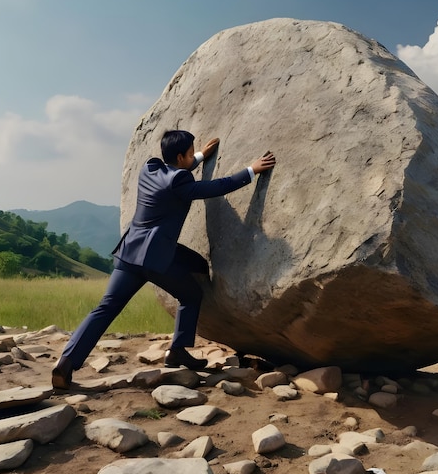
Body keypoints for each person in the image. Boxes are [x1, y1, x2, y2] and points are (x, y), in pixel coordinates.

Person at [51, 130, 276, 389]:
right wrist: (252, 170)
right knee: (191, 294)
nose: (193, 157)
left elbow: (179, 167)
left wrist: (201, 155)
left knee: (106, 308)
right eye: (190, 154)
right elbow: (215, 187)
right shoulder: (179, 182)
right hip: (155, 258)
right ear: (180, 157)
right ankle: (178, 350)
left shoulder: (150, 167)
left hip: (130, 252)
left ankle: (65, 363)